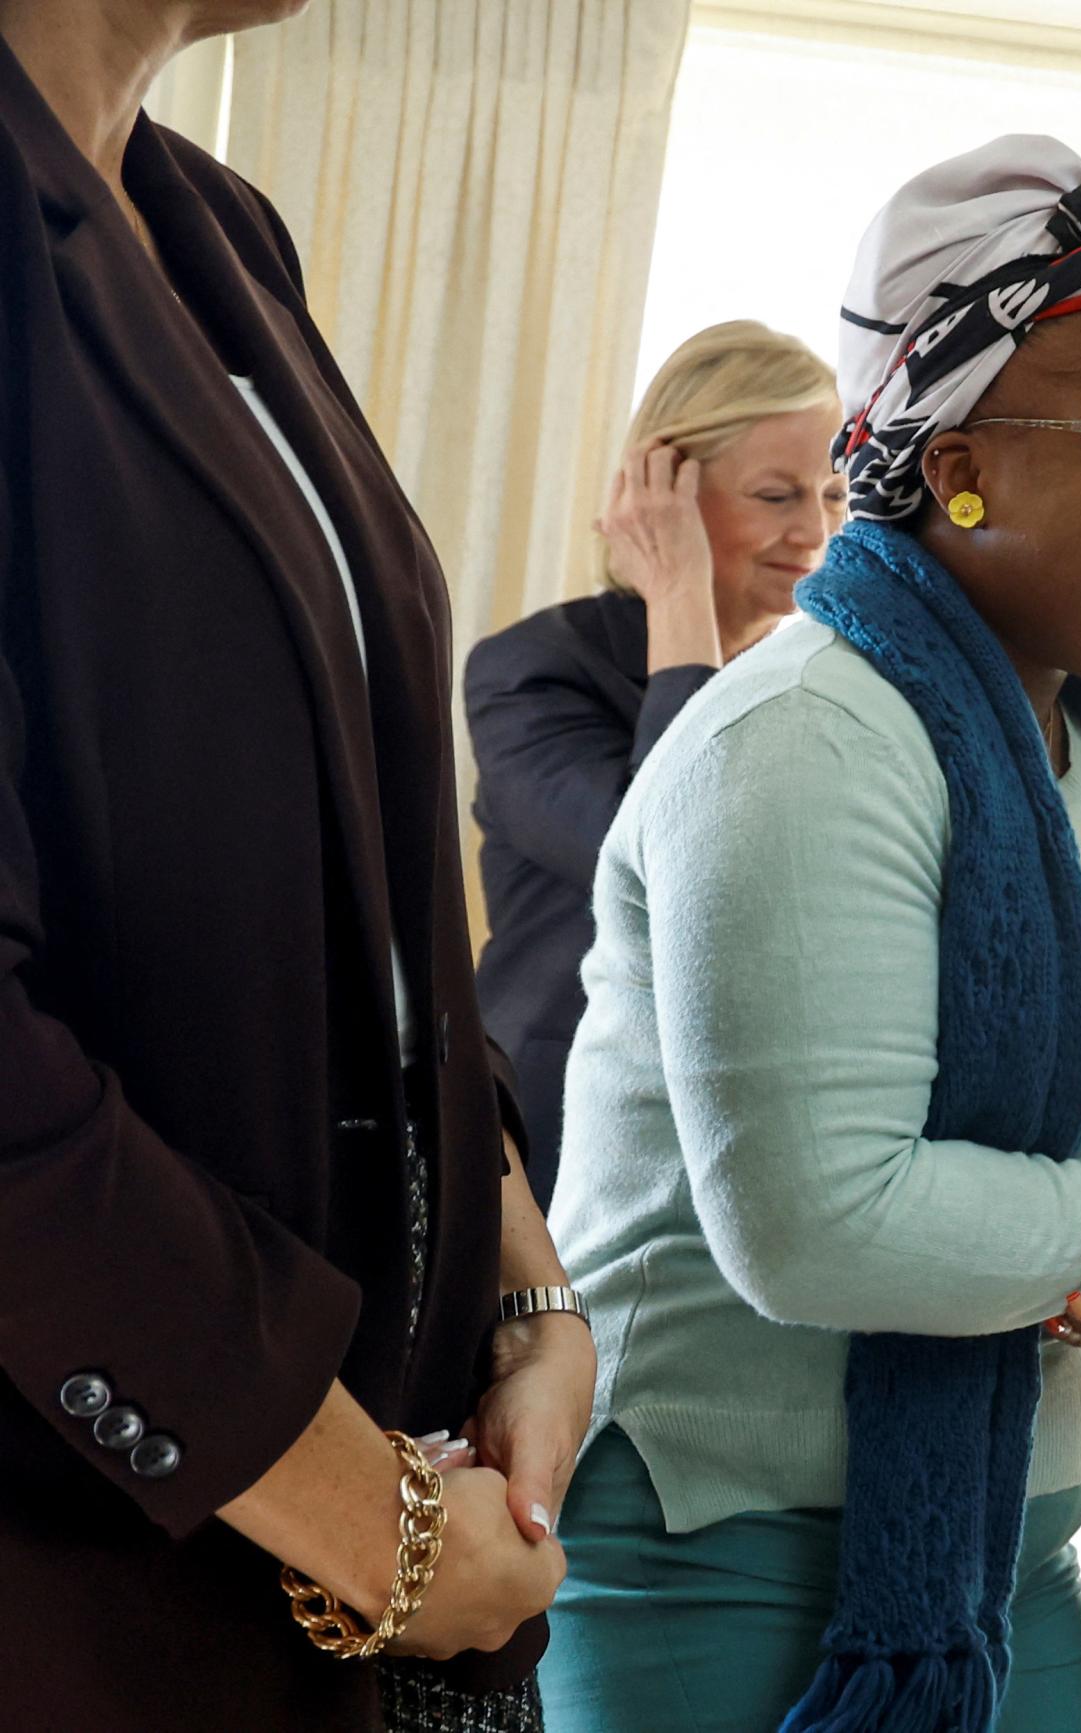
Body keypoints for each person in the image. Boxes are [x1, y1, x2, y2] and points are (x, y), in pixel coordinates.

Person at [539, 137, 1081, 1733]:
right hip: (735, 1573)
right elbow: (826, 1224)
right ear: (958, 462)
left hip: (1017, 1556)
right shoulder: (802, 737)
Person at [0, 3, 590, 1728]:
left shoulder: (216, 224)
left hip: (363, 1555)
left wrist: (526, 1280)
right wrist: (372, 1530)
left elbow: (384, 877)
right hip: (85, 1592)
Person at [467, 320, 843, 1207]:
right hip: (545, 1138)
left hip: (752, 1132)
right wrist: (678, 593)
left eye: (833, 493)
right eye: (777, 494)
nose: (816, 530)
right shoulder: (531, 668)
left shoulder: (826, 682)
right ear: (663, 487)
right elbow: (674, 861)